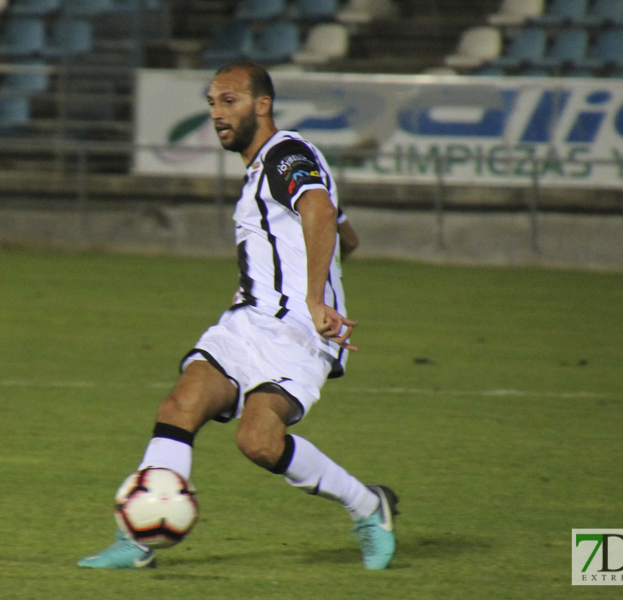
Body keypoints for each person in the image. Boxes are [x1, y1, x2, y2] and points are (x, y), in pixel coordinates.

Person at [78, 61, 397, 571]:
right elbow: (342, 230)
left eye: (229, 101)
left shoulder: (285, 153)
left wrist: (315, 299)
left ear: (262, 104)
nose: (216, 114)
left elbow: (317, 210)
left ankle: (368, 506)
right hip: (248, 321)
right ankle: (136, 541)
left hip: (297, 333)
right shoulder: (266, 168)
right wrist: (283, 273)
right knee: (180, 403)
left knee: (259, 442)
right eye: (211, 103)